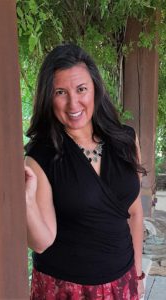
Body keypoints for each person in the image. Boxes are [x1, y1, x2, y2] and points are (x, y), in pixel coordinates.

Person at [24, 43, 146, 300]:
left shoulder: (125, 140)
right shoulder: (41, 156)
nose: (73, 103)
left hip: (122, 281)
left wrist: (136, 273)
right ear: (49, 96)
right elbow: (41, 242)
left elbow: (134, 211)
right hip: (67, 288)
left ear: (95, 90)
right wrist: (26, 201)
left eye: (81, 89)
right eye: (60, 92)